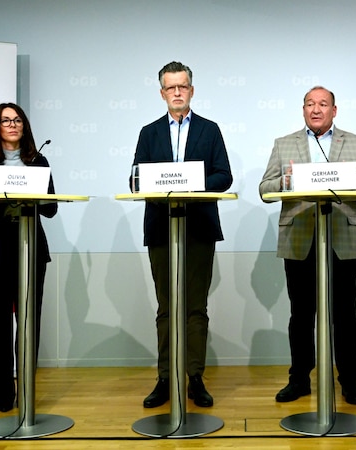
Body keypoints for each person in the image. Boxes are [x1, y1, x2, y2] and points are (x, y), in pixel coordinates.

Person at [259, 86, 356, 405]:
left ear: (334, 110)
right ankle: (299, 379)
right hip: (300, 238)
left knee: (344, 315)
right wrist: (289, 181)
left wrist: (346, 178)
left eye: (323, 104)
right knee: (301, 315)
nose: (316, 109)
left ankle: (349, 381)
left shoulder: (355, 143)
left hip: (341, 237)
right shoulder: (283, 144)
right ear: (303, 110)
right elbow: (265, 188)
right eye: (310, 104)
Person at [131, 61, 233, 408]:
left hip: (200, 227)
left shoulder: (210, 129)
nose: (177, 92)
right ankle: (164, 377)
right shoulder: (149, 132)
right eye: (171, 87)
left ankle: (194, 377)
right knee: (165, 308)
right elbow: (136, 178)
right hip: (161, 227)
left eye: (183, 86)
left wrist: (191, 185)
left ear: (191, 90)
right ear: (162, 93)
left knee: (195, 308)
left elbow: (224, 176)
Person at [0, 102, 58, 412]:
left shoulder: (38, 160)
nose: (13, 124)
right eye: (6, 120)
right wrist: (1, 194)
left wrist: (32, 193)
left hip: (30, 249)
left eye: (17, 119)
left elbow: (51, 208)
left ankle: (27, 394)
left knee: (28, 325)